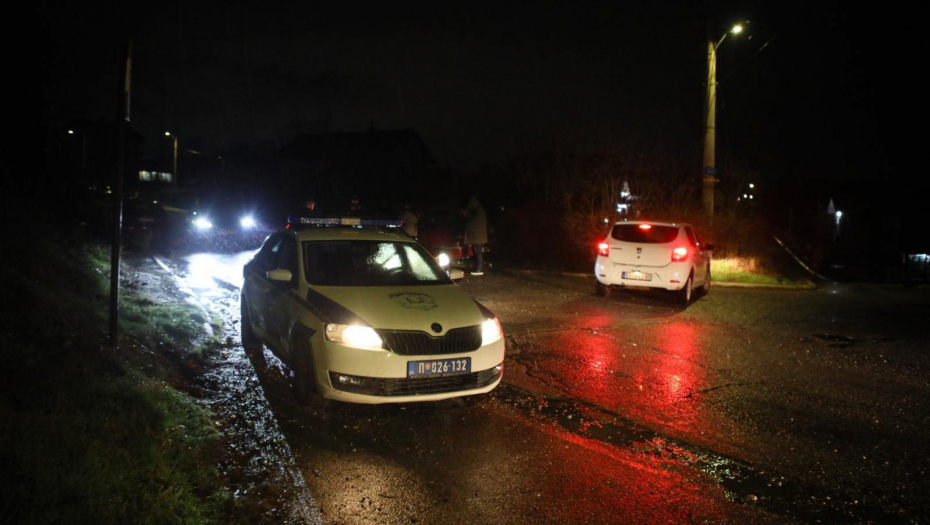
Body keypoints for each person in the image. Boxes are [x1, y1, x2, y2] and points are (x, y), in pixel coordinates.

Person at [463, 196, 487, 275]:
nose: (469, 206)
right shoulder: (477, 211)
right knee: (475, 251)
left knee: (478, 251)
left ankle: (479, 268)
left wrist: (467, 215)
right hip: (476, 236)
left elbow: (474, 222)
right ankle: (477, 266)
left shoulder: (479, 211)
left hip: (477, 237)